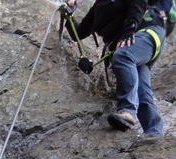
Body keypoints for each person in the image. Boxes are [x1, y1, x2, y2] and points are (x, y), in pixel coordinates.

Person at [66, 0, 167, 135]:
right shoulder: (97, 7)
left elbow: (138, 3)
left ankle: (128, 111)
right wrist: (69, 13)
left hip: (145, 32)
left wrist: (130, 29)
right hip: (137, 40)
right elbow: (78, 33)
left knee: (123, 55)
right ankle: (155, 132)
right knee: (141, 88)